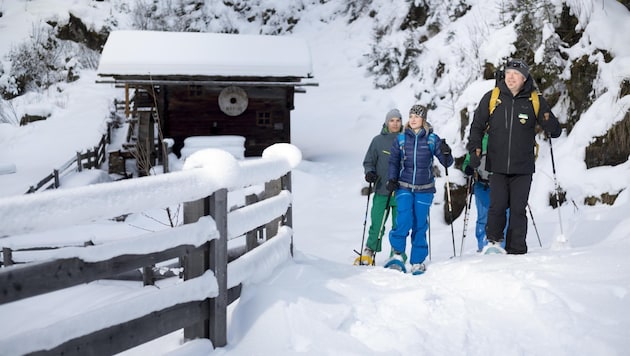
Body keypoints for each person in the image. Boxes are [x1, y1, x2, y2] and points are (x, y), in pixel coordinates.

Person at [467, 59, 561, 255]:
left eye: (515, 74)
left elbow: (554, 129)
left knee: (518, 210)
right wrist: (474, 150)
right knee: (497, 206)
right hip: (497, 164)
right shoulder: (493, 97)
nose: (510, 77)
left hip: (523, 166)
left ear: (524, 78)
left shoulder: (534, 100)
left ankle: (517, 249)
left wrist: (548, 120)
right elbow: (476, 126)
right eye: (508, 72)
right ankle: (493, 243)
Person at [384, 104, 453, 275]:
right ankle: (398, 255)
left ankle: (417, 261)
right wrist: (392, 178)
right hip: (404, 186)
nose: (413, 119)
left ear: (423, 119)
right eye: (411, 116)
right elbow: (393, 161)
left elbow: (447, 163)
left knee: (420, 224)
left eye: (417, 116)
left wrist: (446, 152)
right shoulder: (401, 139)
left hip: (425, 189)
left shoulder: (431, 139)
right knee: (404, 220)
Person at [358, 109, 403, 265]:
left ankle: (397, 253)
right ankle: (370, 250)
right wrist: (369, 173)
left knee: (399, 224)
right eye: (392, 120)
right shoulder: (377, 141)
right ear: (386, 122)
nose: (395, 123)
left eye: (398, 120)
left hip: (400, 191)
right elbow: (369, 161)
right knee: (377, 222)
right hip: (382, 190)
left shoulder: (406, 140)